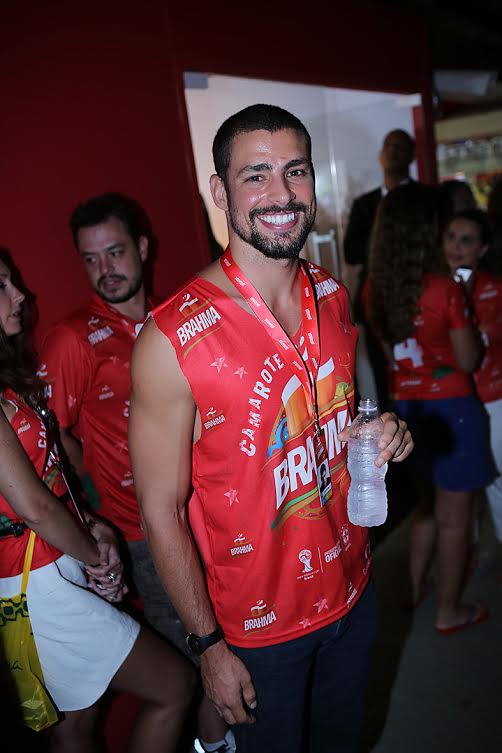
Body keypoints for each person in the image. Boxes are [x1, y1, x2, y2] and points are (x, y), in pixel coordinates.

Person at [129, 104, 412, 753]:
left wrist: (384, 435)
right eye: (255, 175)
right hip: (257, 629)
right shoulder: (173, 338)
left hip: (354, 586)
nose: (281, 194)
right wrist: (208, 645)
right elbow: (159, 509)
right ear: (220, 191)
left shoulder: (333, 297)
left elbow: (335, 422)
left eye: (296, 171)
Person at [40, 193, 227, 751]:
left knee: (227, 643)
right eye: (90, 259)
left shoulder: (174, 320)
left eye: (115, 252)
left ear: (143, 248)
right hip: (143, 532)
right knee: (195, 659)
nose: (105, 269)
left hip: (208, 516)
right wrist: (95, 502)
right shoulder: (73, 339)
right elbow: (48, 439)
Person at [0, 248, 194, 752]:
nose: (20, 294)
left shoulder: (8, 380)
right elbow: (33, 506)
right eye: (2, 285)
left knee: (77, 722)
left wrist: (91, 525)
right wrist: (96, 557)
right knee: (175, 685)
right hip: (36, 580)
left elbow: (49, 478)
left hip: (54, 563)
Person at [367, 184, 493, 633]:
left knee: (425, 506)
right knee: (455, 522)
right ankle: (448, 611)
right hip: (454, 412)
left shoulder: (374, 290)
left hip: (408, 412)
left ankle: (414, 589)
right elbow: (468, 360)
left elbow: (391, 355)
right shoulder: (444, 289)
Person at [442, 209, 502, 570]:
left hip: (493, 399)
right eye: (451, 237)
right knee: (460, 491)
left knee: (497, 484)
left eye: (466, 240)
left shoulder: (495, 289)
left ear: (482, 249)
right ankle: (466, 558)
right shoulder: (432, 288)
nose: (456, 247)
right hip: (451, 402)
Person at [343, 129, 417, 407]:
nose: (394, 152)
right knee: (383, 375)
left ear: (412, 155)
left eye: (400, 146)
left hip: (418, 294)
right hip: (376, 300)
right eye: (389, 146)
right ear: (380, 155)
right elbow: (350, 252)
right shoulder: (364, 204)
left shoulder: (425, 199)